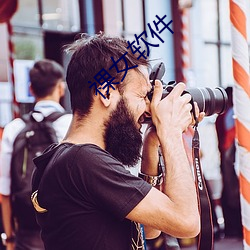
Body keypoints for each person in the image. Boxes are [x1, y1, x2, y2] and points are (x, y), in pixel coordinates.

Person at [31, 33, 202, 250]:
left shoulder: (67, 158)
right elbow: (186, 222)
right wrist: (172, 132)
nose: (149, 109)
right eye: (142, 96)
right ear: (105, 91)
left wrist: (151, 144)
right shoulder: (83, 162)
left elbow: (149, 229)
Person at [0, 59, 72, 250]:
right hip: (67, 230)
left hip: (27, 233)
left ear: (31, 89)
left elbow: (5, 191)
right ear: (60, 88)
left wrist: (9, 239)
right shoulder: (71, 124)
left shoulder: (13, 128)